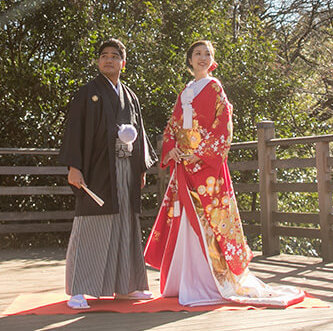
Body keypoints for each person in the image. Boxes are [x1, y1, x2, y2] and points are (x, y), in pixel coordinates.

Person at [144, 40, 304, 307]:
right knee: (185, 219)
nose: (203, 58)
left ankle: (209, 280)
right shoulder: (185, 91)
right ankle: (184, 279)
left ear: (213, 60)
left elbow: (223, 125)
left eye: (208, 54)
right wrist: (171, 150)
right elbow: (172, 125)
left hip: (207, 167)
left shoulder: (215, 87)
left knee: (210, 220)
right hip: (184, 165)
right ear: (190, 60)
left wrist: (202, 153)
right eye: (198, 54)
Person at [58, 38, 156, 310]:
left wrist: (140, 168)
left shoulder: (131, 96)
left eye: (115, 56)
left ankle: (125, 287)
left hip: (125, 170)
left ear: (123, 63)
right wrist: (74, 167)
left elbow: (141, 136)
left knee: (126, 225)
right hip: (97, 169)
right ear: (98, 61)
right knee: (91, 226)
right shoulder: (87, 93)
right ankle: (79, 289)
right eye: (104, 55)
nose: (109, 60)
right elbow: (74, 130)